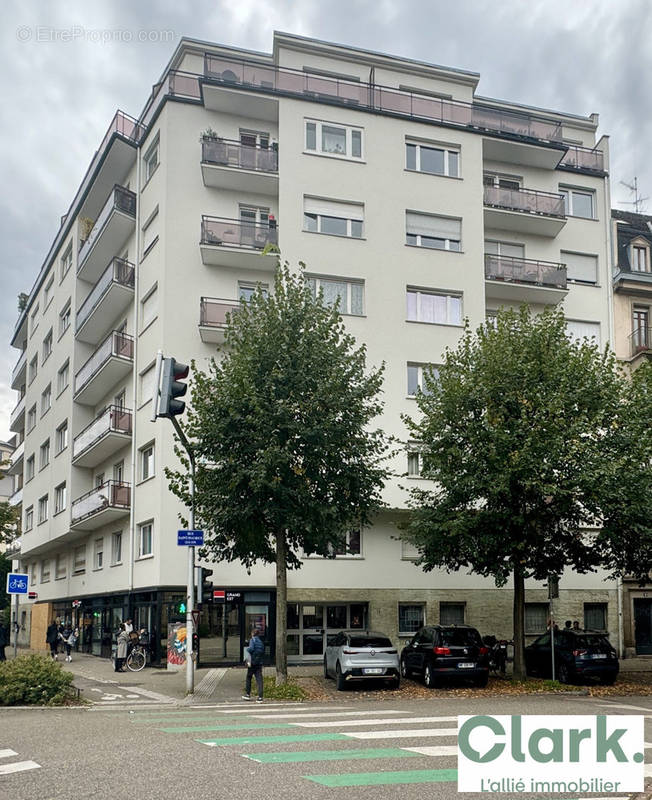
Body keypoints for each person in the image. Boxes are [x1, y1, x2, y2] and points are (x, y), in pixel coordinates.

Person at [242, 628, 265, 703]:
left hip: (252, 662)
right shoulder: (260, 642)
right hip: (259, 662)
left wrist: (247, 650)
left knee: (249, 677)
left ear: (252, 634)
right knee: (259, 679)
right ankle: (260, 697)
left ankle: (248, 694)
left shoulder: (253, 640)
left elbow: (251, 649)